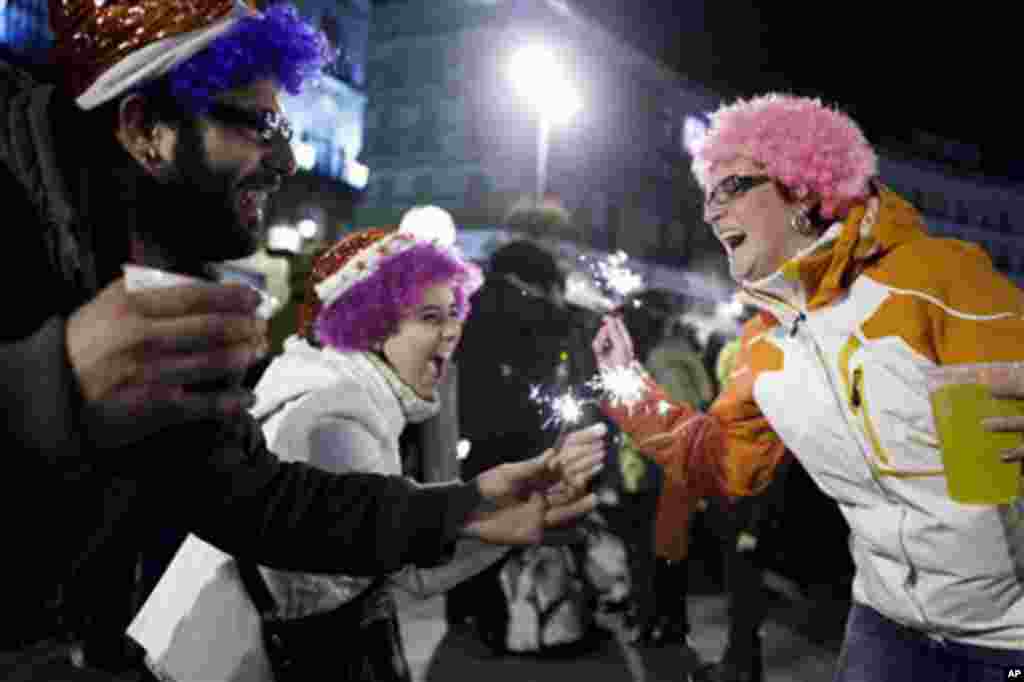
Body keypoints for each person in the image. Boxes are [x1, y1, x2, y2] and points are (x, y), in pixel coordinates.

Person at [0, 3, 599, 680]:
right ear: (146, 130)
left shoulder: (157, 259)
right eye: (259, 125)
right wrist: (48, 387)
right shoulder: (19, 214)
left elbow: (257, 498)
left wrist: (468, 506)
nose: (286, 158)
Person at [593, 93, 1024, 681]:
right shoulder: (762, 345)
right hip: (884, 625)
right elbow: (720, 462)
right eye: (706, 197)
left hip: (1010, 637)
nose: (711, 213)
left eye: (732, 188)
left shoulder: (936, 279)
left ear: (801, 187)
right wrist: (626, 387)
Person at [144, 221, 608, 681]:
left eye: (453, 312)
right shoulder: (338, 414)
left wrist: (505, 512)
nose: (453, 332)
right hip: (233, 662)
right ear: (370, 326)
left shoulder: (336, 387)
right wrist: (504, 510)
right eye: (430, 317)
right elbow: (394, 564)